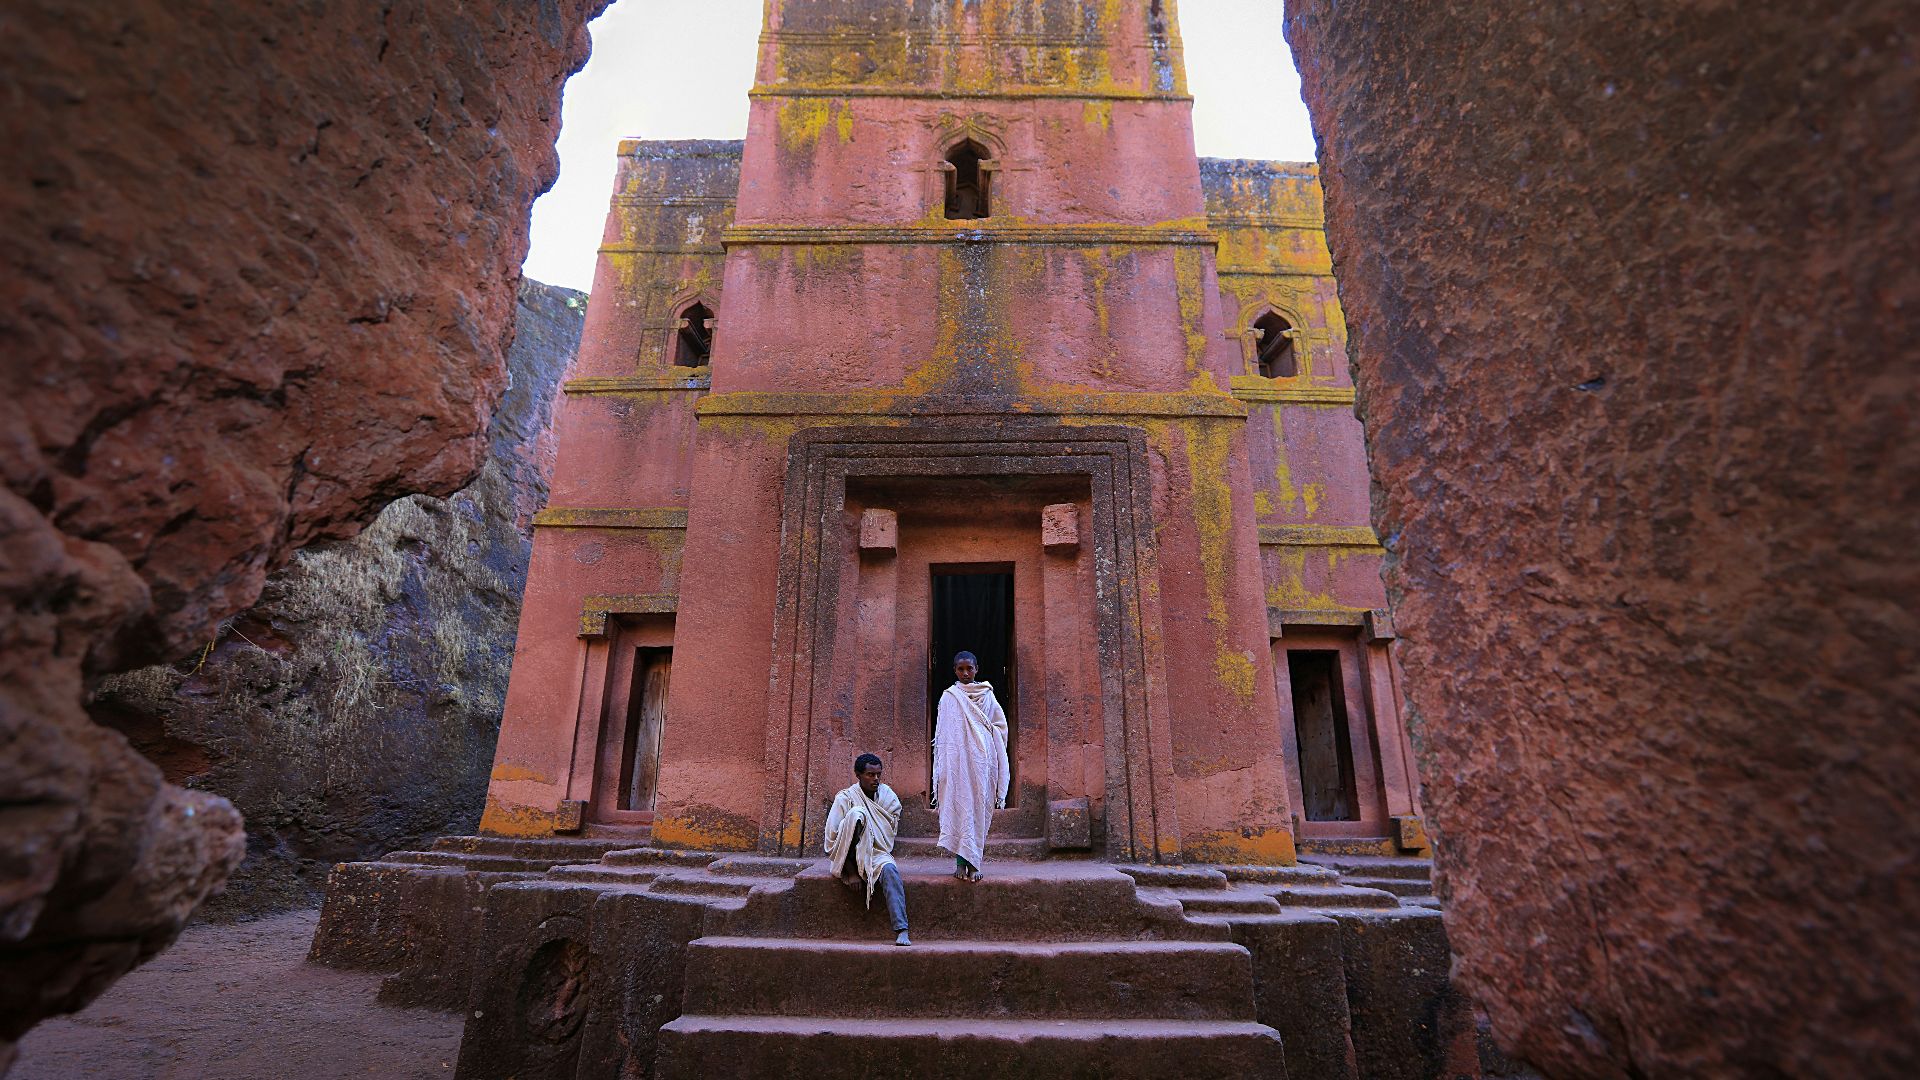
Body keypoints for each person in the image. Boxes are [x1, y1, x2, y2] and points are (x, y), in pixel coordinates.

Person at [931, 650, 1009, 882]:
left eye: (969, 668)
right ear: (954, 670)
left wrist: (985, 735)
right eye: (960, 669)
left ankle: (974, 862)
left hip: (981, 762)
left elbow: (1000, 726)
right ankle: (959, 862)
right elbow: (943, 734)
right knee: (960, 806)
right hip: (957, 764)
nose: (965, 673)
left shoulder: (987, 695)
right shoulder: (949, 697)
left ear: (977, 669)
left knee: (978, 808)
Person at [823, 752, 911, 946]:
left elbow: (889, 827)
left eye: (878, 774)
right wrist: (852, 872)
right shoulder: (845, 798)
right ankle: (853, 867)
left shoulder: (887, 795)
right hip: (849, 855)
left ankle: (902, 929)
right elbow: (832, 841)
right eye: (870, 775)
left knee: (890, 871)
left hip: (876, 853)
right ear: (858, 775)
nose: (876, 779)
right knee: (856, 813)